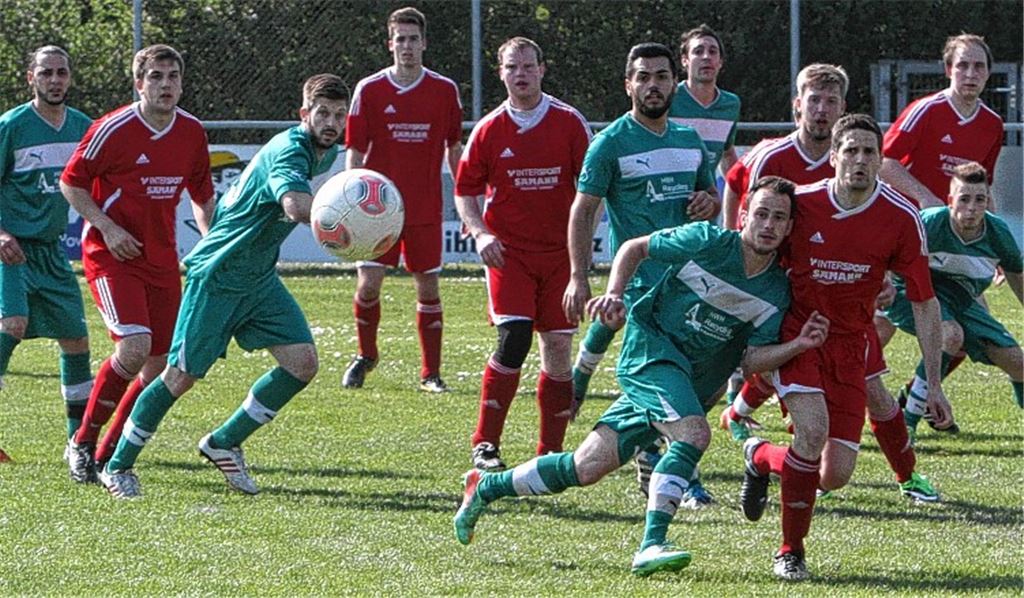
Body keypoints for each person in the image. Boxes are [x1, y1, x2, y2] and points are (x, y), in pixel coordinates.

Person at [454, 178, 829, 577]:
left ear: (789, 228)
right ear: (743, 216)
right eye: (761, 213)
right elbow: (635, 248)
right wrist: (615, 293)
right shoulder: (705, 240)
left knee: (585, 467)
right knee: (694, 434)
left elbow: (749, 358)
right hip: (652, 353)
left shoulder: (776, 291)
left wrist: (798, 346)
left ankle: (486, 486)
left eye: (779, 217)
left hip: (690, 382)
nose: (768, 224)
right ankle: (651, 544)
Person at [96, 74, 348, 499]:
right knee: (179, 377)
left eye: (339, 115)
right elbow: (292, 204)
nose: (330, 122)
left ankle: (224, 442)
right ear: (303, 114)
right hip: (218, 275)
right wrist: (343, 222)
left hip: (258, 278)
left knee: (302, 363)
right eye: (322, 113)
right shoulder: (291, 150)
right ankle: (117, 466)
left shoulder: (327, 152)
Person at [739, 114, 953, 581]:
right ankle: (790, 550)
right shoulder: (801, 206)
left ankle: (759, 456)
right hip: (799, 338)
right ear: (833, 157)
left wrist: (933, 383)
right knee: (811, 434)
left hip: (852, 346)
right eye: (849, 150)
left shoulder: (902, 216)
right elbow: (756, 254)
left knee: (833, 476)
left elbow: (923, 300)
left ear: (881, 159)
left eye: (868, 152)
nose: (859, 160)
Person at [563, 42, 719, 504]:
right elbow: (583, 209)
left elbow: (708, 197)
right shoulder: (610, 143)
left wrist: (707, 203)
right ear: (628, 84)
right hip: (639, 281)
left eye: (661, 76)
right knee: (674, 376)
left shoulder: (690, 140)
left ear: (676, 83)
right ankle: (680, 475)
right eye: (643, 77)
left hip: (688, 281)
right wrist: (579, 274)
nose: (653, 85)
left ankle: (648, 452)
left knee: (684, 376)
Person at [60, 44, 215, 484]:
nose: (166, 85)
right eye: (156, 77)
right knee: (133, 347)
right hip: (112, 255)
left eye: (173, 77)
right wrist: (107, 228)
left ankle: (108, 455)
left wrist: (210, 240)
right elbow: (71, 184)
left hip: (162, 258)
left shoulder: (191, 132)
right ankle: (81, 443)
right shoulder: (113, 129)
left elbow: (203, 197)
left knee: (157, 366)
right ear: (139, 83)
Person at [454, 37, 591, 472]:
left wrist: (580, 264)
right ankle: (485, 443)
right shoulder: (490, 129)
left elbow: (590, 193)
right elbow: (465, 191)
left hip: (559, 257)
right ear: (501, 73)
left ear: (542, 70)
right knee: (513, 340)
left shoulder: (569, 123)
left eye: (528, 66)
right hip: (508, 254)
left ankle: (549, 455)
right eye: (512, 67)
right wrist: (478, 233)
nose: (521, 74)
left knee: (557, 350)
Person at [718, 63, 849, 442]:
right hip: (772, 273)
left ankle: (743, 409)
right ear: (798, 106)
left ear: (842, 109)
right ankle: (746, 403)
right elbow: (733, 184)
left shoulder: (847, 161)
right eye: (814, 100)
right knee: (782, 348)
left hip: (822, 276)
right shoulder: (770, 155)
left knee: (814, 348)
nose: (822, 109)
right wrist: (732, 242)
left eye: (831, 101)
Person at [341, 6, 463, 392]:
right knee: (369, 286)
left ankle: (431, 373)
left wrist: (463, 200)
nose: (407, 46)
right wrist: (350, 202)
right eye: (400, 39)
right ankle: (366, 355)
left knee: (428, 287)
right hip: (376, 211)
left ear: (424, 43)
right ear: (389, 43)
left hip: (424, 207)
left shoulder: (444, 90)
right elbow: (355, 151)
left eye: (413, 39)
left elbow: (454, 148)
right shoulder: (370, 89)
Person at [880, 161, 1022, 439]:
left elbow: (1018, 280)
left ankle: (912, 400)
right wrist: (882, 284)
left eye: (979, 200)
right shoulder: (930, 223)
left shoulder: (998, 234)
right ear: (950, 200)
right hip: (910, 292)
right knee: (950, 334)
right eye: (964, 199)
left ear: (987, 202)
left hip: (960, 300)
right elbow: (886, 252)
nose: (971, 208)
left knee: (1018, 363)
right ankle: (905, 425)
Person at [0, 45, 93, 461]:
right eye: (46, 73)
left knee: (75, 339)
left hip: (52, 251)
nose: (54, 80)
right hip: (11, 248)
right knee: (13, 323)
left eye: (61, 73)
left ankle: (78, 442)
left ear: (70, 78)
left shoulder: (83, 128)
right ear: (30, 78)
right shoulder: (12, 126)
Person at [881, 34, 1002, 210]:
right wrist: (924, 197)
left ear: (987, 73)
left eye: (979, 66)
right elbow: (883, 162)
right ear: (948, 70)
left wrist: (992, 227)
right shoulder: (926, 110)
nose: (970, 74)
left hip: (955, 225)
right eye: (962, 65)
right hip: (912, 218)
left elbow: (982, 184)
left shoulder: (993, 124)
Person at [668, 24, 741, 176]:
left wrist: (743, 194)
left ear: (720, 62)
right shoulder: (668, 97)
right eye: (698, 51)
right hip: (669, 193)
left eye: (713, 52)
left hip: (707, 197)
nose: (706, 57)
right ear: (685, 61)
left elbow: (727, 154)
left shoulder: (730, 104)